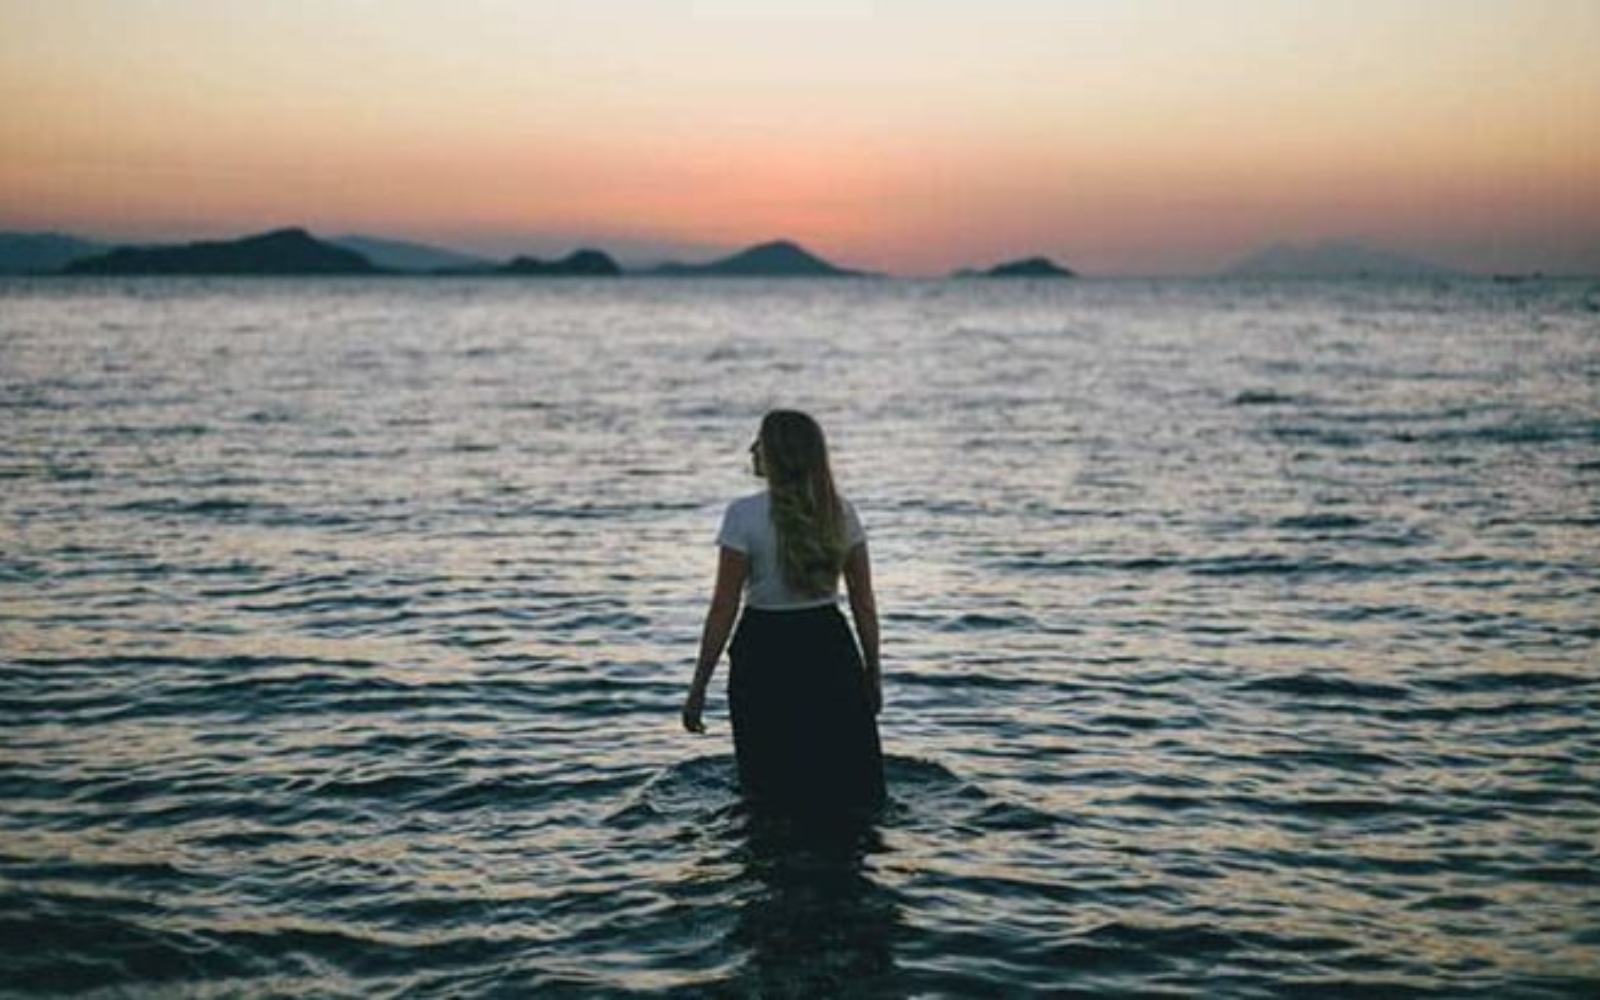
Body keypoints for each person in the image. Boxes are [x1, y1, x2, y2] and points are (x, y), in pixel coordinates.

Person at [682, 410, 885, 812]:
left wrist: (698, 687)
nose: (752, 449)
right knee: (846, 780)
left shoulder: (743, 515)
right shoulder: (842, 513)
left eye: (759, 441)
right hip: (830, 647)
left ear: (777, 453)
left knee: (767, 782)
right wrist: (872, 673)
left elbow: (723, 608)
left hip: (765, 650)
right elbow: (863, 603)